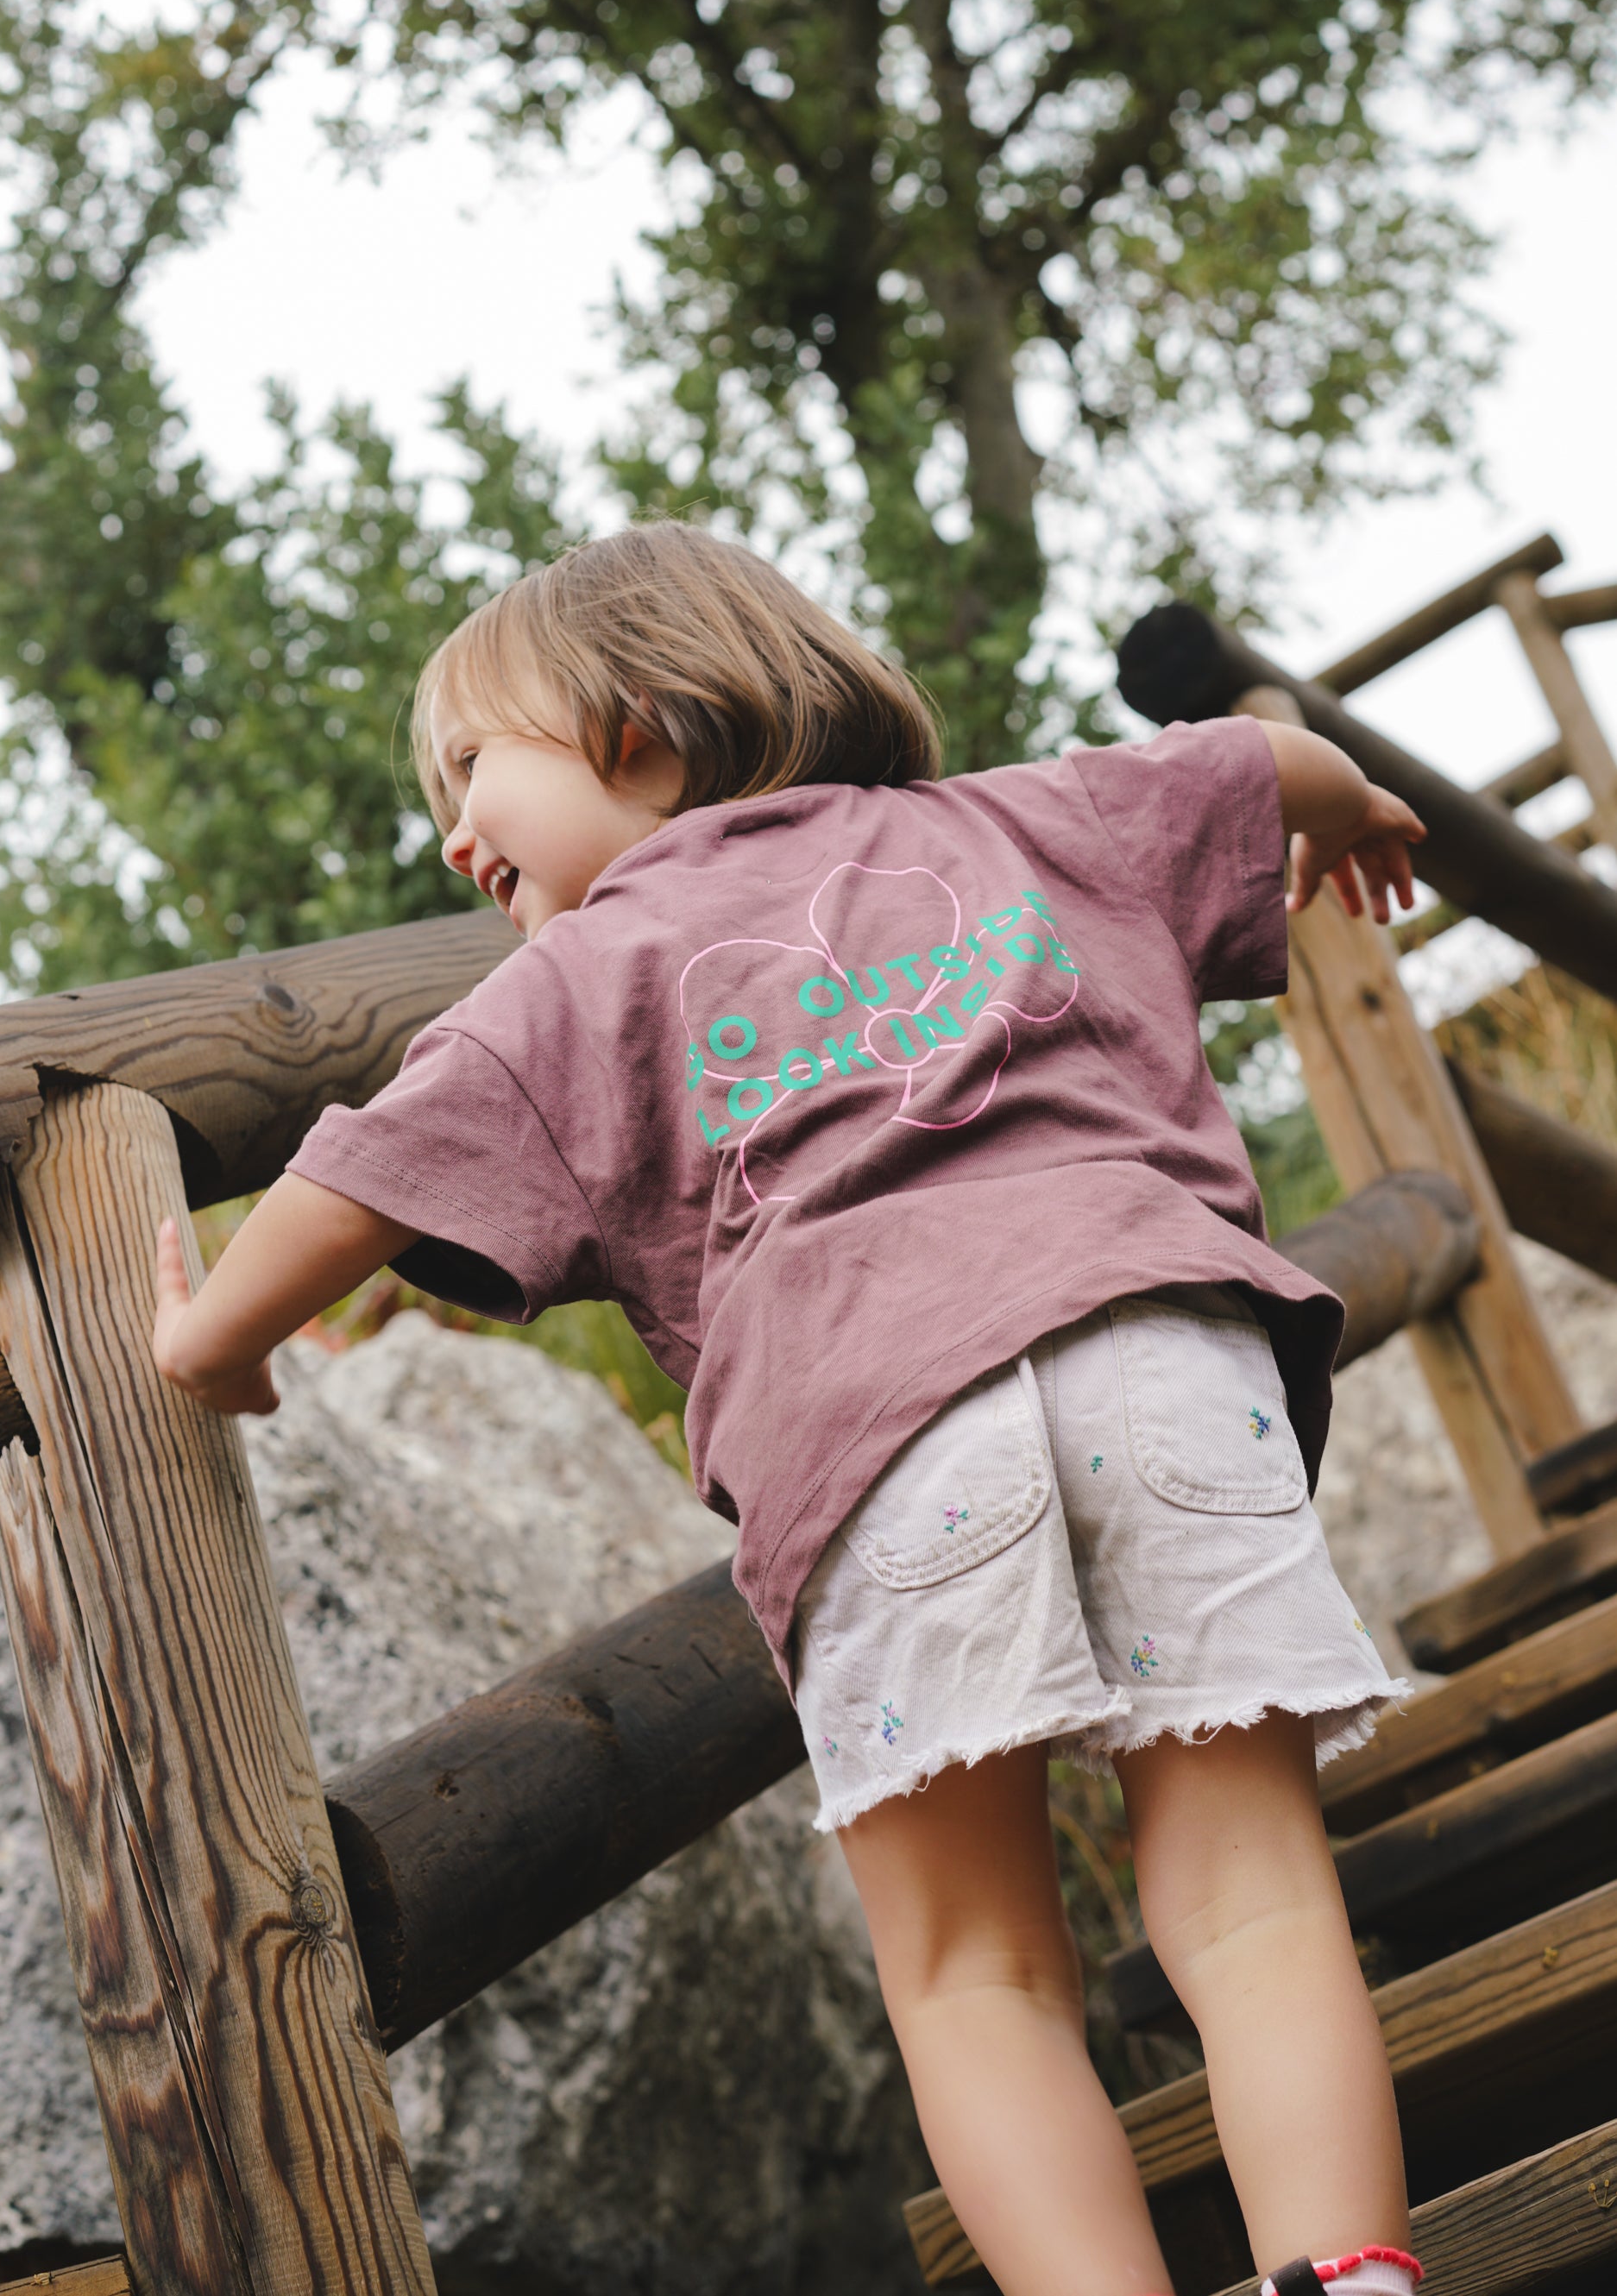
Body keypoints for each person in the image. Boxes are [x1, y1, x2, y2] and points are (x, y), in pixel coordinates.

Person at [154, 522, 1426, 2296]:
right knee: (1254, 1889)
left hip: (883, 1436)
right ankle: (1348, 2276)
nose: (451, 834)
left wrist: (210, 1342)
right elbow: (1256, 761)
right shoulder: (1024, 817)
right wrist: (1356, 808)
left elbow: (355, 1179)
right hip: (1161, 1351)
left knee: (977, 1972)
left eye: (469, 768)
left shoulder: (578, 975)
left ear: (634, 728)